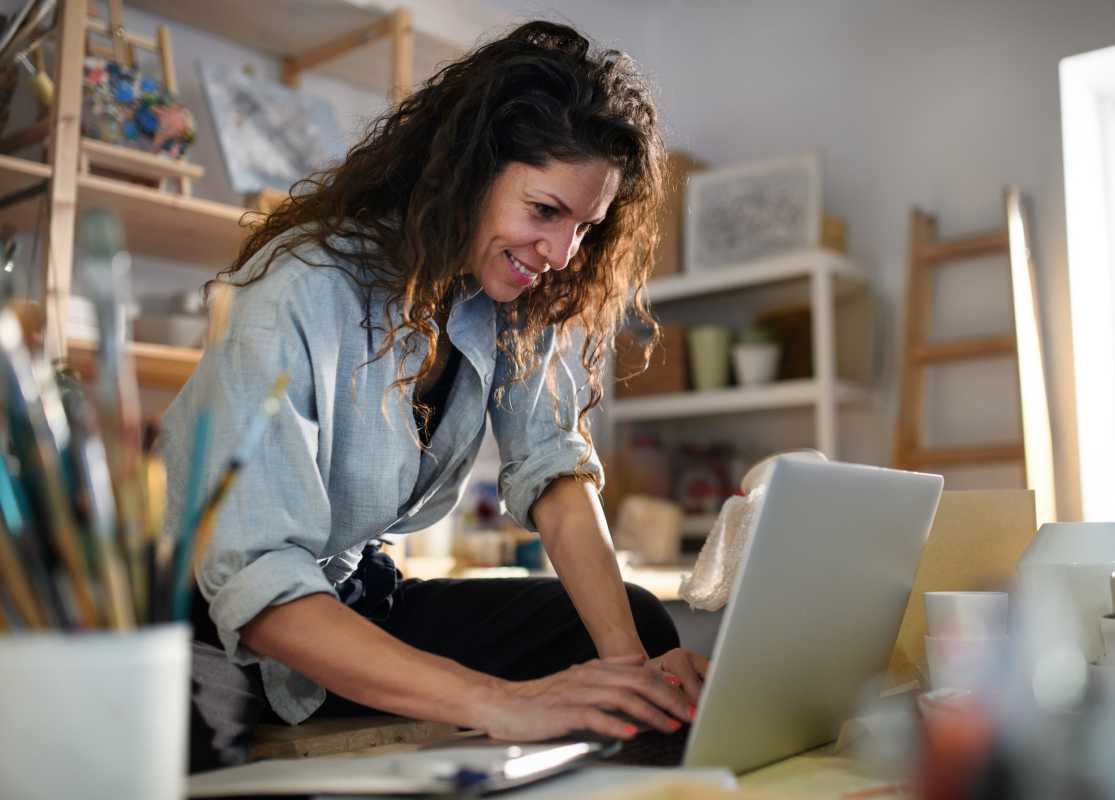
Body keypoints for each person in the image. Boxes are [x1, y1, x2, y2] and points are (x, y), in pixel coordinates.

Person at [163, 21, 710, 771]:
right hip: (213, 622)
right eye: (545, 212)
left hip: (354, 604)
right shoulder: (302, 287)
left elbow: (555, 475)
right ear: (469, 173)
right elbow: (257, 584)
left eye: (585, 228)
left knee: (640, 626)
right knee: (195, 749)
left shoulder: (512, 296)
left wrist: (629, 673)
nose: (561, 256)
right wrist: (498, 699)